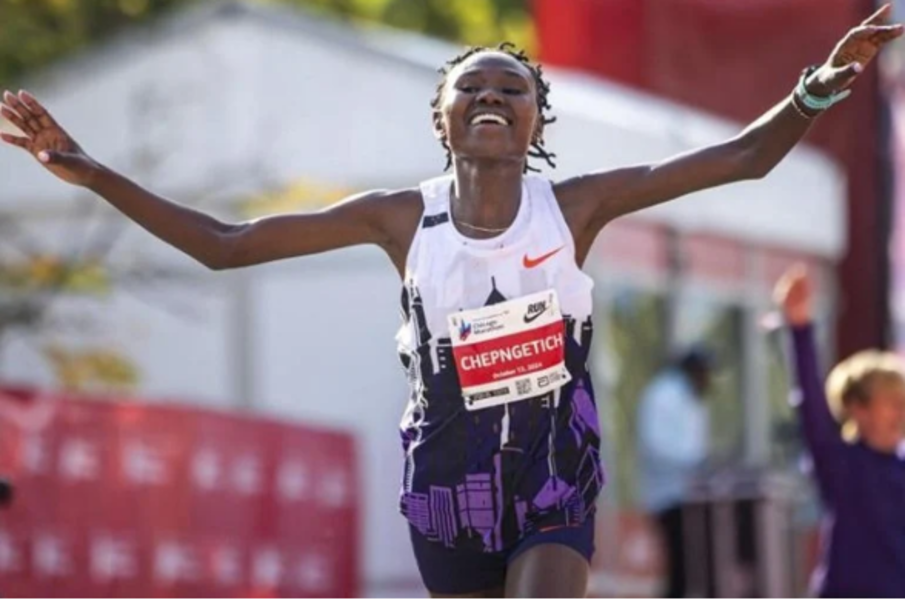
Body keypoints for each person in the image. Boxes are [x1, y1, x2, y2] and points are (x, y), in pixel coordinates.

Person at [1, 8, 901, 597]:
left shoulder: (574, 206)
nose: (491, 98)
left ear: (535, 123)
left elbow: (740, 159)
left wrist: (818, 84)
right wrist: (88, 172)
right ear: (440, 117)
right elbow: (225, 245)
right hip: (446, 492)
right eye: (469, 87)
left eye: (511, 90)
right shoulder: (400, 218)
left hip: (552, 481)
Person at [775, 266, 905, 597]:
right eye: (890, 403)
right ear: (857, 409)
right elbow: (810, 406)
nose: (901, 413)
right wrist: (799, 328)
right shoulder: (841, 465)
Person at [636, 347, 714, 597]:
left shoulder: (690, 398)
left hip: (692, 497)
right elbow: (656, 445)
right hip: (671, 497)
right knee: (680, 572)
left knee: (696, 570)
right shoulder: (664, 395)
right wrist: (696, 461)